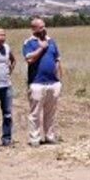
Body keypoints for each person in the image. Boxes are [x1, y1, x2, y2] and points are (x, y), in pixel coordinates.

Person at [22, 18, 62, 146]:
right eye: (40, 27)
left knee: (50, 112)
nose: (43, 29)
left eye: (44, 26)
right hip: (37, 82)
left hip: (53, 82)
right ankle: (35, 138)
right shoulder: (29, 43)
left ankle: (50, 136)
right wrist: (41, 48)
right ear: (33, 29)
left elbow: (57, 59)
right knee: (35, 113)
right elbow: (29, 60)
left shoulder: (52, 41)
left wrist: (58, 77)